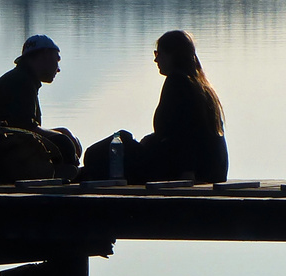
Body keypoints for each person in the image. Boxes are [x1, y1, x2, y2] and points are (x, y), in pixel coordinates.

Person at [82, 29, 228, 183]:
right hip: (211, 171)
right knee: (123, 143)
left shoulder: (177, 81)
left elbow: (185, 135)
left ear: (172, 55)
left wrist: (187, 173)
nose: (156, 60)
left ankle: (79, 177)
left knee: (97, 153)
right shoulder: (203, 87)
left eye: (158, 54)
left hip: (183, 171)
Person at [0, 34, 81, 165]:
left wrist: (61, 132)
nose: (58, 69)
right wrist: (62, 134)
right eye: (57, 60)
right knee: (63, 142)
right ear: (45, 55)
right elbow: (26, 128)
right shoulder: (21, 82)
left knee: (62, 138)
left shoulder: (22, 78)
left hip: (0, 147)